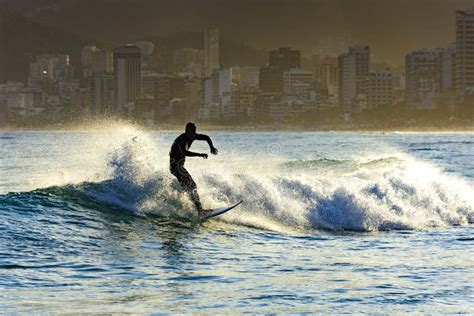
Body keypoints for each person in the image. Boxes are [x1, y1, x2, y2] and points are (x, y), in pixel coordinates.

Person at [169, 122, 218, 214]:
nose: (194, 134)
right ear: (187, 131)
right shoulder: (181, 140)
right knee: (192, 186)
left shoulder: (193, 136)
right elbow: (185, 152)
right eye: (192, 132)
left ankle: (188, 207)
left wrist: (211, 147)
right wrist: (199, 154)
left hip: (180, 166)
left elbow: (206, 137)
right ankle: (200, 210)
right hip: (176, 167)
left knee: (188, 187)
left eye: (195, 132)